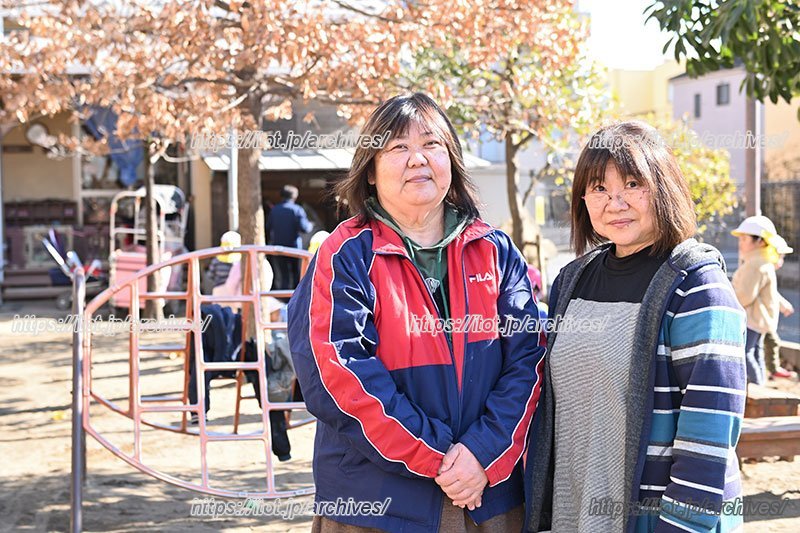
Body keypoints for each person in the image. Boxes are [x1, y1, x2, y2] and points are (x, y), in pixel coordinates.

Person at [287, 93, 545, 532]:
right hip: (377, 505)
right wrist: (440, 458)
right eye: (398, 147)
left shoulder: (495, 250)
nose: (417, 159)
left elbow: (529, 361)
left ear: (451, 160)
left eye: (431, 144)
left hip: (487, 498)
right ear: (370, 171)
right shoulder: (344, 256)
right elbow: (338, 377)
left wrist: (481, 454)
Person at [525, 121, 747, 533]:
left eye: (632, 184)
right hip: (572, 514)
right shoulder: (571, 281)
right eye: (599, 188)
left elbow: (708, 438)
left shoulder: (698, 288)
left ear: (663, 187)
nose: (616, 202)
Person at [730, 215, 781, 385]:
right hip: (759, 319)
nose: (740, 243)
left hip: (752, 318)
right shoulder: (762, 262)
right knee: (756, 352)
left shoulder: (755, 264)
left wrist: (729, 303)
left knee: (745, 353)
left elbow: (744, 295)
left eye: (745, 239)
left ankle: (758, 389)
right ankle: (761, 387)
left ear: (760, 241)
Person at [266, 184, 313, 289]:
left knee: (283, 276)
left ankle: (284, 296)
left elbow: (268, 226)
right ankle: (296, 296)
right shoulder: (297, 210)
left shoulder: (274, 210)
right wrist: (311, 225)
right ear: (295, 196)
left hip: (278, 248)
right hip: (294, 248)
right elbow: (305, 228)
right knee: (296, 275)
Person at [762, 235, 796, 379]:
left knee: (766, 344)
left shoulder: (767, 269)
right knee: (771, 341)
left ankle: (769, 370)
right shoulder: (764, 269)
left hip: (765, 318)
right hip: (761, 318)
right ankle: (772, 369)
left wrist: (783, 304)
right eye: (780, 256)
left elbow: (773, 293)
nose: (781, 261)